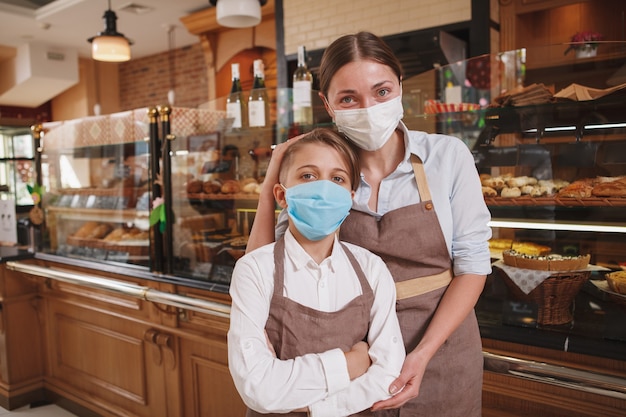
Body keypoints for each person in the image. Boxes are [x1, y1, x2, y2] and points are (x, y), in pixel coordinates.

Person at [246, 32, 492, 417]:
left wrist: (421, 355)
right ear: (327, 104)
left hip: (441, 349)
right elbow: (262, 272)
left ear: (399, 89)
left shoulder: (446, 157)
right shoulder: (321, 171)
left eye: (381, 91)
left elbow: (473, 266)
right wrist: (268, 191)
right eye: (348, 98)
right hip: (348, 357)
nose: (368, 107)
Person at [228, 127, 406, 417]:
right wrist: (352, 364)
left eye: (337, 178)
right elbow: (257, 387)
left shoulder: (372, 269)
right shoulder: (254, 270)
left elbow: (387, 375)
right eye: (308, 176)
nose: (323, 189)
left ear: (349, 198)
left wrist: (314, 407)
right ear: (282, 196)